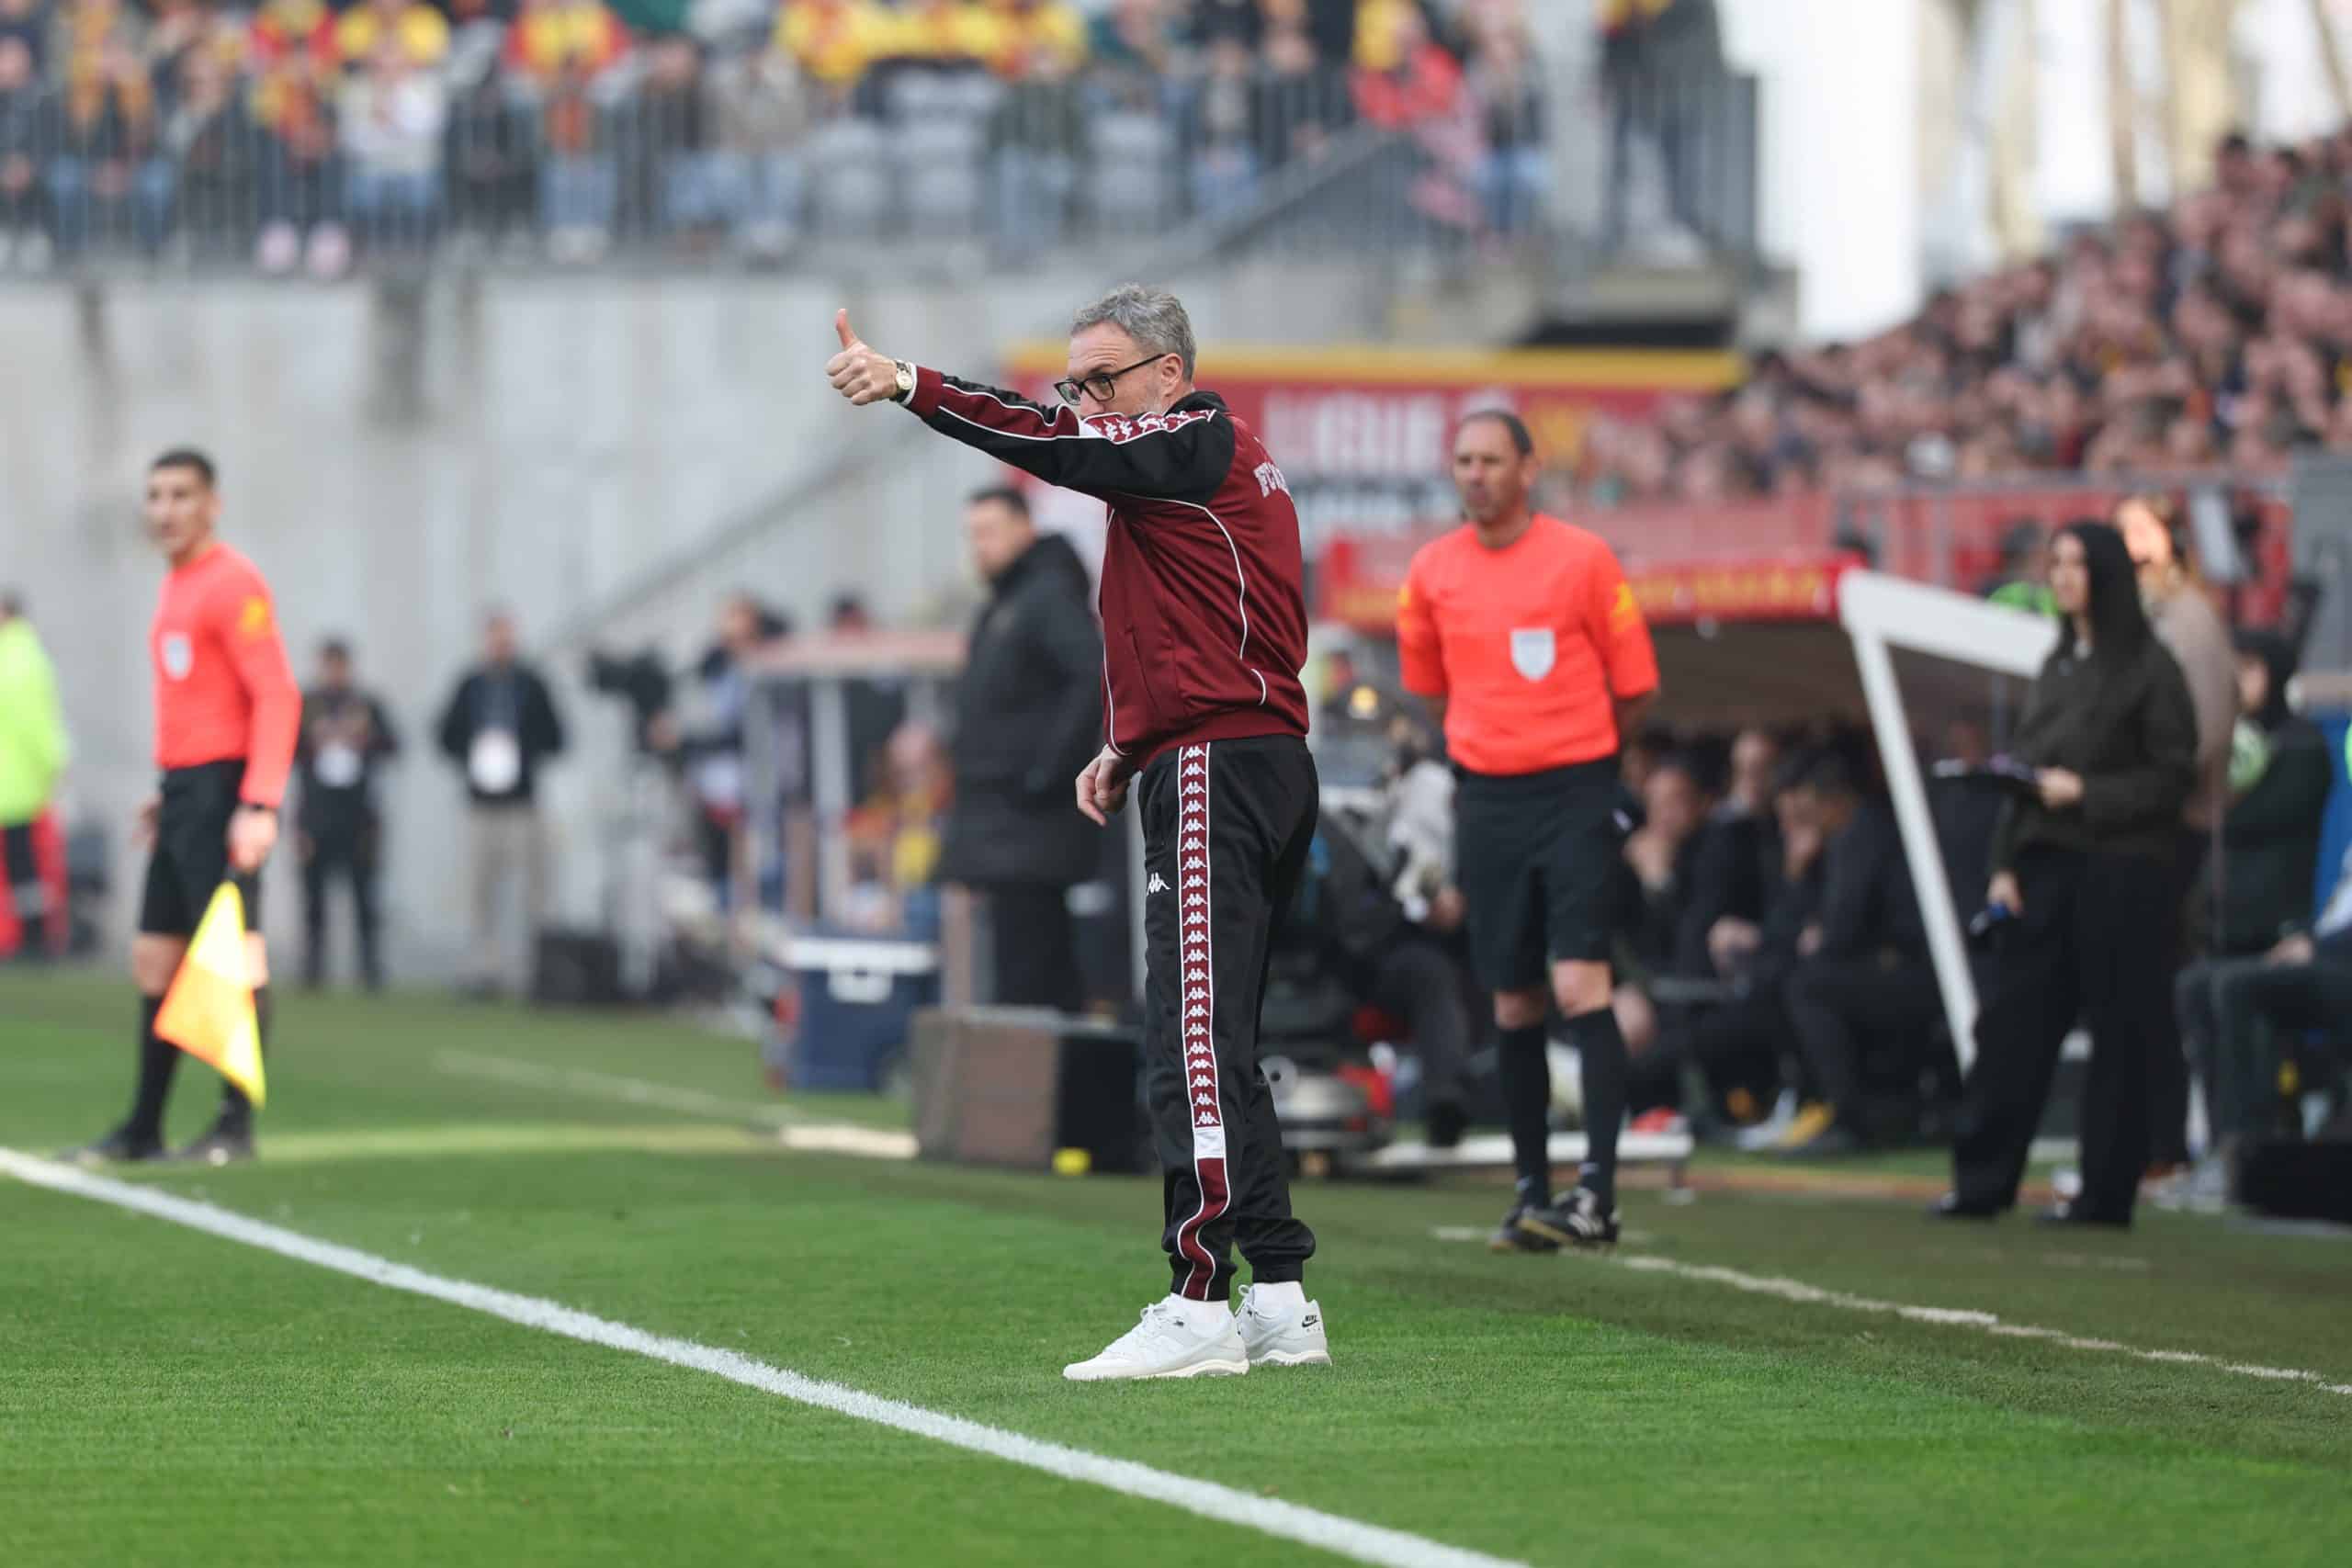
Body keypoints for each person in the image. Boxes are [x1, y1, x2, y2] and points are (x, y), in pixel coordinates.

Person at [826, 284, 1327, 1381]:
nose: (1086, 402)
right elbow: (1196, 624)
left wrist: (911, 383)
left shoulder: (1191, 440)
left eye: (1103, 380)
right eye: (1077, 382)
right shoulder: (1209, 463)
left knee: (1186, 1044)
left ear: (1168, 374)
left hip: (1217, 763)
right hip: (1236, 752)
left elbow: (1044, 440)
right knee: (1220, 1042)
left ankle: (1198, 1299)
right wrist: (1125, 741)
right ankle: (1281, 1297)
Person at [1396, 409, 1660, 1252]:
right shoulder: (1431, 571)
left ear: (1528, 468)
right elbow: (1430, 690)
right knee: (1513, 997)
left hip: (1576, 791)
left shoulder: (1584, 558)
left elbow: (1636, 685)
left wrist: (1581, 748)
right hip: (1487, 799)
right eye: (1463, 460)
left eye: (1490, 459)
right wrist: (1493, 743)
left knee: (1582, 984)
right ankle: (1531, 1191)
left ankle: (1599, 1195)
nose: (1474, 474)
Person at [1937, 522, 2197, 1228]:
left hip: (2120, 868)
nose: (2061, 576)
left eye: (2077, 564)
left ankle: (2104, 1196)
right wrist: (2003, 865)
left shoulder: (2150, 668)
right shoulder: (2057, 664)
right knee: (2011, 1025)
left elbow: (2172, 777)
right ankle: (1980, 1182)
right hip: (2045, 864)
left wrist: (2087, 792)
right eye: (2055, 563)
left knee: (2119, 1033)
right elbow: (2024, 774)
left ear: (2106, 575)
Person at [69, 450, 300, 1167]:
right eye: (155, 495)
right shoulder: (177, 584)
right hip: (185, 791)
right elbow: (200, 698)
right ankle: (144, 1126)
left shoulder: (233, 583)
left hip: (225, 793)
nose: (164, 509)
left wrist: (257, 802)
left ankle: (235, 1125)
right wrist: (170, 788)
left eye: (180, 495)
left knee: (233, 954)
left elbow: (277, 695)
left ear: (212, 504)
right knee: (155, 958)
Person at [2171, 630, 2335, 1193]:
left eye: (2249, 668)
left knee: (2241, 1005)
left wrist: (2210, 804)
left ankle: (2255, 1150)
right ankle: (2222, 1146)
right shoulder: (2233, 742)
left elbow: (2241, 818)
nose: (2239, 682)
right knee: (2196, 993)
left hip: (2277, 929)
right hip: (2225, 928)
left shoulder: (2302, 746)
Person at [936, 485, 1103, 1011]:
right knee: (1024, 961)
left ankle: (1048, 1063)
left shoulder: (1047, 597)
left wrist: (1045, 773)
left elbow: (1090, 678)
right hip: (1006, 827)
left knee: (1033, 970)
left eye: (989, 531)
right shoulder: (1008, 602)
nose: (978, 546)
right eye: (971, 535)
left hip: (1031, 824)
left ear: (1024, 528)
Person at [2114, 493, 2236, 1173]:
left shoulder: (2187, 619)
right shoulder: (2155, 617)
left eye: (2142, 531)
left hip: (2172, 827)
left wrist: (2126, 780)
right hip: (2149, 822)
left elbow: (2198, 735)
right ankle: (2150, 1146)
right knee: (2144, 991)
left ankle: (2165, 1148)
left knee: (2159, 991)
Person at [1776, 748, 1939, 1155]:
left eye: (1814, 811)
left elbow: (1843, 928)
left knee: (1807, 986)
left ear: (1836, 801)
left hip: (1913, 972)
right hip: (1906, 967)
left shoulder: (1861, 834)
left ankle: (1848, 1116)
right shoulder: (1867, 830)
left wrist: (1819, 934)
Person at [435, 610, 566, 996]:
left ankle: (534, 971)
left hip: (521, 804)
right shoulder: (471, 685)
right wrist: (474, 752)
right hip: (482, 805)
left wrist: (522, 749)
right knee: (481, 891)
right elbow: (445, 735)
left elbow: (557, 737)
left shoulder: (531, 685)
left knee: (532, 889)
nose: (501, 644)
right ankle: (484, 970)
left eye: (507, 636)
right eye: (495, 636)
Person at [293, 637, 400, 990]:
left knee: (365, 897)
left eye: (340, 666)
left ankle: (369, 968)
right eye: (329, 665)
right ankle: (313, 968)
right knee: (314, 897)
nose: (334, 673)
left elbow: (394, 746)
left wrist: (364, 735)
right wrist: (315, 738)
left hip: (358, 817)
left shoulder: (366, 704)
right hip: (316, 816)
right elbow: (285, 750)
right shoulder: (307, 705)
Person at [0, 590, 71, 961]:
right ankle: (33, 936)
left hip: (16, 785)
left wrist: (52, 764)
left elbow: (35, 725)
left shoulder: (16, 661)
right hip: (22, 783)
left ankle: (34, 939)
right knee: (25, 865)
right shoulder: (27, 657)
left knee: (23, 865)